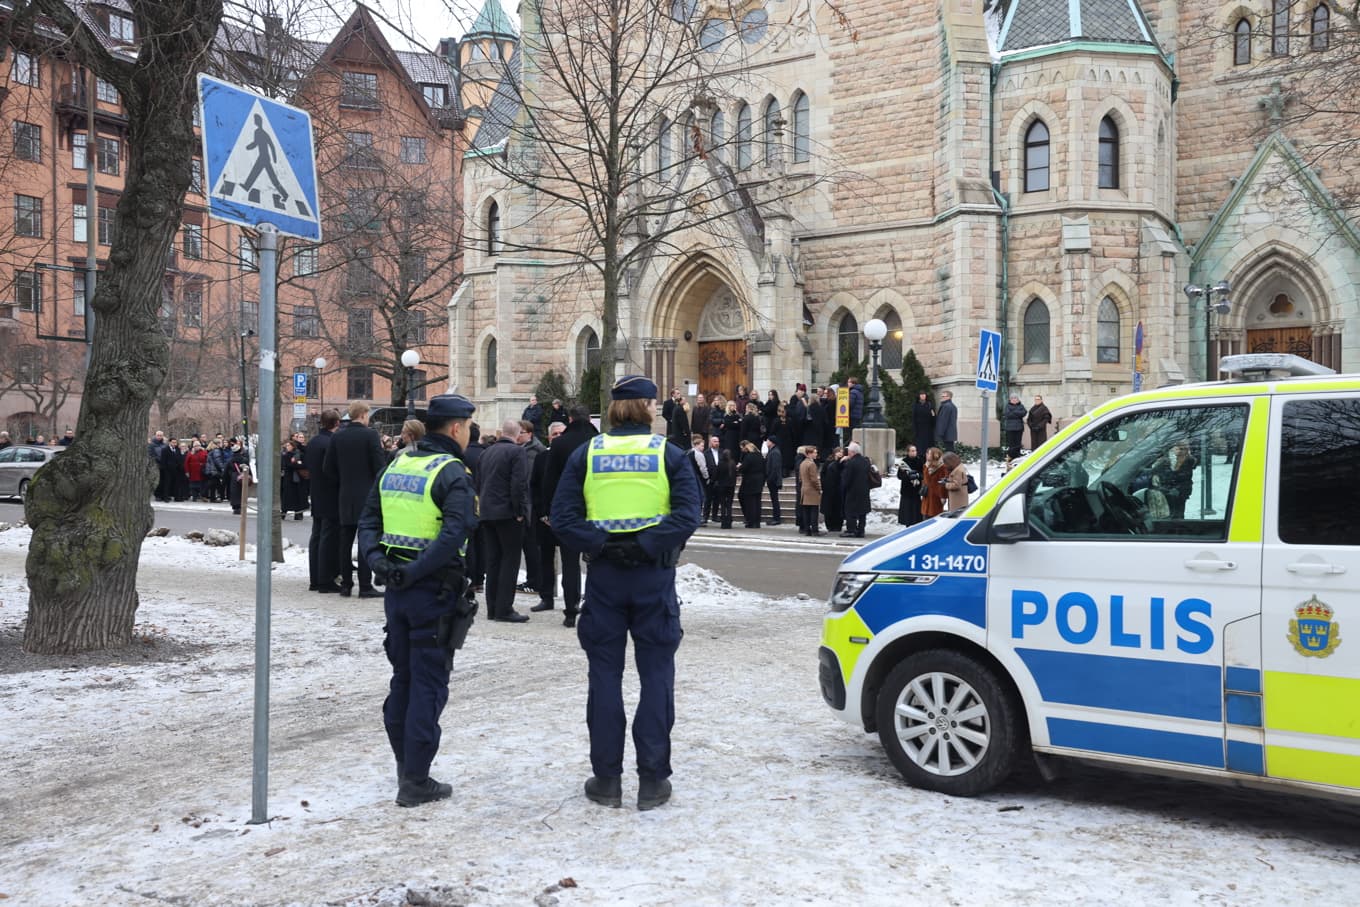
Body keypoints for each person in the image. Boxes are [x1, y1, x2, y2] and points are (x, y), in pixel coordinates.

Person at [550, 374, 701, 811]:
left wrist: (602, 544)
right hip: (653, 577)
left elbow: (563, 517)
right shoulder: (667, 453)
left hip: (604, 578)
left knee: (604, 677)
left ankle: (607, 779)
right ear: (648, 408)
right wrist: (645, 545)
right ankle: (652, 780)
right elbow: (688, 514)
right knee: (656, 677)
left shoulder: (587, 453)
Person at [357, 393, 480, 808]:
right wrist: (417, 571)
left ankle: (404, 765)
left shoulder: (397, 465)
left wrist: (379, 563)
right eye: (468, 427)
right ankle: (415, 779)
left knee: (404, 680)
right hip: (433, 591)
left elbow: (369, 520)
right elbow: (454, 534)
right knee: (428, 684)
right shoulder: (452, 472)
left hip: (397, 591)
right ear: (457, 428)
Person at [541, 405, 598, 627]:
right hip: (596, 508)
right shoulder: (599, 442)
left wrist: (548, 510)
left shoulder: (560, 444)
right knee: (596, 561)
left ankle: (571, 609)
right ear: (589, 419)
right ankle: (593, 604)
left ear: (570, 419)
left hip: (569, 510)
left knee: (570, 563)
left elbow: (550, 479)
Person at [323, 401, 387, 598]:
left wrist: (343, 481)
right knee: (365, 541)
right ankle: (365, 585)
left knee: (345, 541)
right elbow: (380, 467)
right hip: (367, 496)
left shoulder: (338, 436)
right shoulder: (370, 435)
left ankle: (346, 584)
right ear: (363, 415)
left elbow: (328, 468)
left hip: (345, 494)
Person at [476, 418, 531, 623]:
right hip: (507, 513)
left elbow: (478, 482)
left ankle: (492, 607)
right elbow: (518, 484)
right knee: (510, 560)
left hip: (487, 512)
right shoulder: (517, 452)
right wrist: (520, 510)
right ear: (517, 434)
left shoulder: (486, 452)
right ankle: (504, 608)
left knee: (493, 560)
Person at [529, 421, 567, 616]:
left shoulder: (572, 456)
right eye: (555, 434)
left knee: (569, 560)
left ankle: (571, 600)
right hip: (545, 517)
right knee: (545, 558)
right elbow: (534, 486)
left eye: (562, 434)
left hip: (566, 516)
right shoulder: (541, 458)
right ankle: (546, 597)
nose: (558, 437)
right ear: (549, 437)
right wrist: (542, 513)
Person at [307, 410, 342, 593]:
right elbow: (334, 470)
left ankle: (315, 578)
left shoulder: (314, 441)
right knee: (328, 538)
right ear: (336, 423)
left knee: (317, 536)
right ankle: (325, 579)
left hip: (317, 492)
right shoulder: (331, 443)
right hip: (331, 494)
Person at [517, 419, 548, 595]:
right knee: (528, 546)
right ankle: (532, 578)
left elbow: (528, 481)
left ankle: (536, 580)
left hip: (531, 506)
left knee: (532, 546)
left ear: (529, 434)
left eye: (520, 432)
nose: (518, 435)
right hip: (526, 504)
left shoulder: (535, 452)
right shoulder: (521, 450)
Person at [1152, 440, 1196, 518]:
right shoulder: (1166, 461)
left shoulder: (1188, 461)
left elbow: (1185, 478)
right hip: (1168, 491)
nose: (1181, 451)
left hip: (1180, 492)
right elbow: (1155, 470)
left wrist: (1177, 489)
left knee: (1178, 514)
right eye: (1179, 448)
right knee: (1170, 514)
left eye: (1183, 449)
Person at [840, 442, 871, 538]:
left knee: (850, 511)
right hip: (864, 490)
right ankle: (861, 530)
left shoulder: (851, 463)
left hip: (852, 490)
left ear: (852, 452)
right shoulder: (865, 461)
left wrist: (843, 487)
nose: (848, 452)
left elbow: (846, 478)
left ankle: (851, 530)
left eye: (849, 451)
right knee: (862, 511)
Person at [737, 440, 764, 528]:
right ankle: (757, 522)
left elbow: (744, 468)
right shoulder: (760, 455)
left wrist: (739, 467)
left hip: (750, 481)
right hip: (759, 480)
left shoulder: (749, 457)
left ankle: (751, 521)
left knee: (750, 502)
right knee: (757, 501)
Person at [896, 444, 925, 526]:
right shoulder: (904, 462)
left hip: (916, 490)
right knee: (907, 511)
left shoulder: (920, 461)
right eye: (912, 451)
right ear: (908, 452)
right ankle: (907, 525)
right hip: (906, 490)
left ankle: (916, 525)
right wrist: (908, 476)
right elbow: (899, 476)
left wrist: (917, 475)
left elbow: (923, 475)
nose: (914, 452)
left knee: (916, 511)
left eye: (915, 451)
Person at [280, 438, 309, 520]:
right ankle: (284, 512)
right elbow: (288, 465)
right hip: (289, 479)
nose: (287, 447)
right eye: (286, 445)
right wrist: (297, 464)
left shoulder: (300, 454)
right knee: (287, 497)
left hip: (298, 480)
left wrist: (296, 464)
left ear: (293, 446)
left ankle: (298, 514)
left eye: (288, 445)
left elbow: (305, 464)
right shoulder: (286, 455)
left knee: (298, 497)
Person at [798, 445, 822, 535]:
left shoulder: (802, 463)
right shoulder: (811, 464)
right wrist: (819, 488)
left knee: (806, 511)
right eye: (814, 453)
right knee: (814, 511)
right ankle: (815, 530)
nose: (816, 454)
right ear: (809, 454)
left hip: (804, 489)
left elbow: (800, 478)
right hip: (812, 490)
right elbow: (814, 479)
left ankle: (807, 530)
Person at [689, 434, 712, 525]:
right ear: (697, 445)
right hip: (698, 478)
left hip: (690, 478)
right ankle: (697, 518)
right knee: (700, 498)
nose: (703, 448)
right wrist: (707, 477)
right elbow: (703, 468)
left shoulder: (689, 452)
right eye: (702, 446)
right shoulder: (699, 454)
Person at [820, 447, 844, 533]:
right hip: (829, 489)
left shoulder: (843, 462)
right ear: (835, 453)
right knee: (829, 508)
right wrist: (824, 485)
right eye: (839, 452)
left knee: (838, 508)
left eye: (841, 452)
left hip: (839, 489)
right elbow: (823, 474)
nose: (840, 453)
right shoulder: (828, 462)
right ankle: (830, 525)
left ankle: (838, 525)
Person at [920, 447, 947, 519]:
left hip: (936, 495)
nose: (927, 455)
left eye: (929, 453)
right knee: (925, 515)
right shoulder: (927, 465)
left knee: (935, 516)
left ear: (934, 455)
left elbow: (942, 483)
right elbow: (925, 480)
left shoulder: (942, 467)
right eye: (927, 453)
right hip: (927, 494)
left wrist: (943, 496)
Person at [713, 448, 737, 528]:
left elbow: (716, 474)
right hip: (731, 486)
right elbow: (735, 474)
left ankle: (723, 522)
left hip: (722, 485)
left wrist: (714, 480)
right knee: (729, 504)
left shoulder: (720, 463)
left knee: (723, 504)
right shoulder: (732, 463)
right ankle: (729, 522)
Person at [762, 438, 784, 525]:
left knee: (775, 499)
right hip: (772, 479)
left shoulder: (775, 452)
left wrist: (770, 479)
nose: (766, 442)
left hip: (773, 480)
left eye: (768, 441)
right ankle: (775, 517)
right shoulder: (772, 451)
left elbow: (775, 467)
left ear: (772, 442)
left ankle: (776, 518)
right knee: (774, 499)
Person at [702, 436, 722, 524]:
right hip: (710, 479)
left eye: (717, 441)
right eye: (714, 441)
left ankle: (715, 516)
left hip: (719, 478)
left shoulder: (721, 452)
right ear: (710, 443)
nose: (716, 443)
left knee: (717, 499)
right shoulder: (706, 453)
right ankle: (705, 516)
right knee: (708, 499)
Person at [1002, 393, 1028, 461]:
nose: (1014, 399)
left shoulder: (1021, 406)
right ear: (1010, 400)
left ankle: (1017, 456)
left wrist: (1013, 412)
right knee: (1011, 444)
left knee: (1018, 443)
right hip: (1010, 429)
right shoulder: (1007, 406)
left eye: (1015, 398)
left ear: (1018, 399)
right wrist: (1018, 413)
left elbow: (1024, 412)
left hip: (1019, 428)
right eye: (1012, 398)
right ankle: (1011, 457)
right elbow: (1007, 414)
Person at [846, 378, 863, 446]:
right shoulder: (859, 391)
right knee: (855, 432)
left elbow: (850, 404)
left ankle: (851, 446)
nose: (847, 384)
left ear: (853, 383)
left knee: (851, 433)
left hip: (852, 415)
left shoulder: (853, 392)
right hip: (857, 415)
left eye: (849, 382)